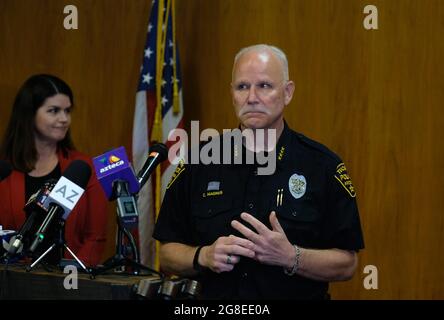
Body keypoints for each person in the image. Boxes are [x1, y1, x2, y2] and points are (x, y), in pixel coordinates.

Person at [153, 44, 364, 299]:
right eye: (242, 86)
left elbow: (347, 263)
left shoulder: (323, 167)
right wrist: (203, 256)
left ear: (287, 92)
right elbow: (166, 253)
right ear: (232, 93)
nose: (252, 97)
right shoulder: (197, 162)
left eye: (264, 86)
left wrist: (291, 256)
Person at [0, 74, 108, 267]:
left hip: (69, 282)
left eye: (67, 111)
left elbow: (95, 237)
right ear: (29, 113)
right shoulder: (5, 169)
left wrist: (72, 279)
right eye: (54, 111)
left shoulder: (84, 168)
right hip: (13, 281)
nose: (64, 119)